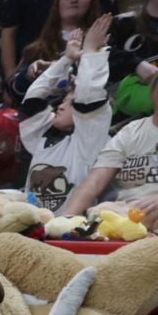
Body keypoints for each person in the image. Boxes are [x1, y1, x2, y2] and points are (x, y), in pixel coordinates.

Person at [20, 14, 112, 212]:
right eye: (61, 102)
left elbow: (88, 95)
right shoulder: (43, 138)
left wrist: (90, 53)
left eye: (68, 103)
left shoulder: (90, 141)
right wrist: (66, 59)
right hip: (33, 232)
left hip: (72, 234)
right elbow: (33, 99)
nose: (60, 107)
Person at [62, 74, 158, 230]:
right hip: (124, 214)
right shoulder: (131, 132)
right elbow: (96, 181)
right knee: (101, 212)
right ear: (153, 91)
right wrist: (65, 220)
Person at [9, 0, 101, 100]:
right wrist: (29, 74)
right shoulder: (35, 49)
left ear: (93, 1)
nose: (74, 0)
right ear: (57, 4)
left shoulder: (100, 40)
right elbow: (13, 92)